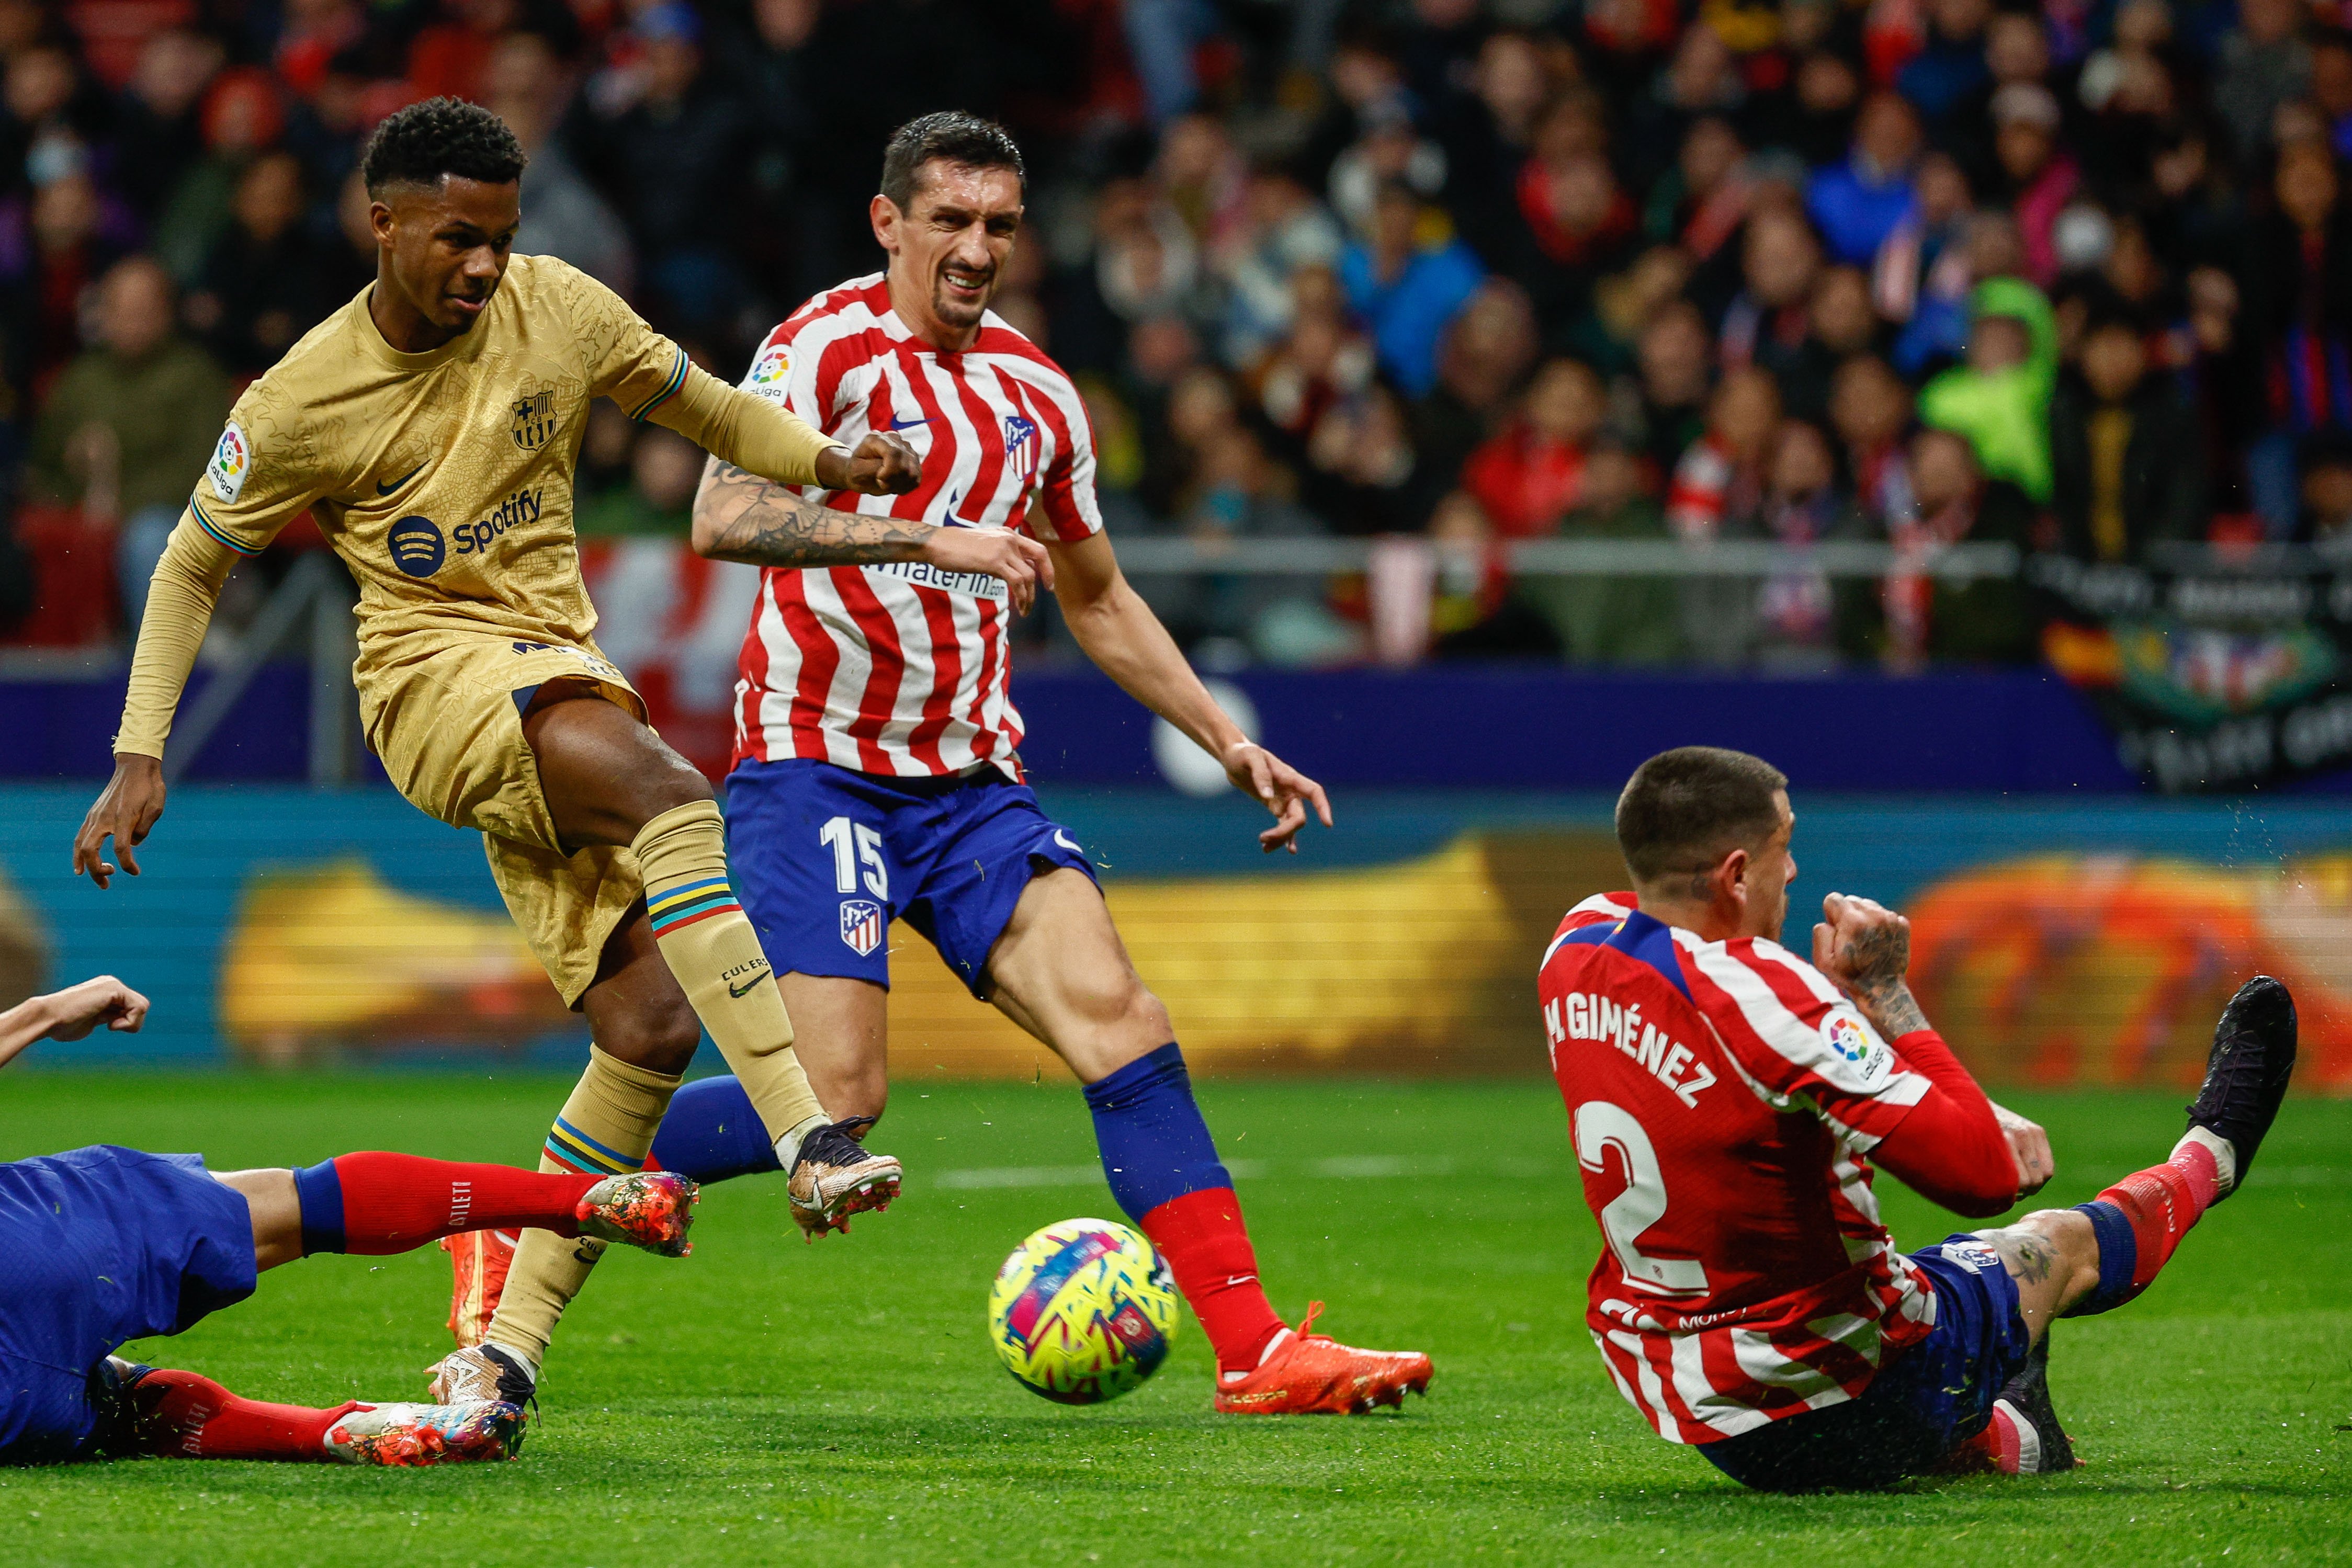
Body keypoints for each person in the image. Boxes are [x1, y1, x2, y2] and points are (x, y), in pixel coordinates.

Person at [61, 99, 1037, 1416]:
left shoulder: (557, 305)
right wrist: (139, 749)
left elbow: (708, 412)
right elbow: (191, 560)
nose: (483, 266)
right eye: (457, 238)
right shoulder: (300, 393)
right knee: (666, 788)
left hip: (557, 665)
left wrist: (837, 460)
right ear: (385, 221)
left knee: (645, 1019)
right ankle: (809, 1130)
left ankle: (503, 1348)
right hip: (427, 684)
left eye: (502, 238)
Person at [458, 112, 1437, 1416]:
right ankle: (530, 1205)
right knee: (837, 1095)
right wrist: (923, 533)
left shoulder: (1037, 394)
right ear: (890, 223)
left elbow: (1097, 597)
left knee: (1123, 1022)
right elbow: (721, 512)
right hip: (816, 771)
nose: (977, 250)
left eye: (1000, 227)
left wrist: (1225, 735)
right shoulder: (818, 352)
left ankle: (1256, 1349)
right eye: (952, 221)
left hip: (972, 784)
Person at [1541, 746, 2297, 1490]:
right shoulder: (1769, 997)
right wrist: (1884, 993)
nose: (1794, 869)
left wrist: (1852, 1036)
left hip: (1709, 1415)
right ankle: (2212, 1155)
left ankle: (2019, 1430)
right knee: (2051, 1243)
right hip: (1859, 1384)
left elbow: (1743, 1068)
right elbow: (1989, 1174)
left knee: (1930, 1396)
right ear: (1738, 873)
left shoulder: (1572, 948)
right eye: (1785, 846)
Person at [0, 975, 697, 1467]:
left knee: (117, 1407)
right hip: (32, 1242)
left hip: (16, 1407)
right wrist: (41, 1013)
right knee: (294, 1206)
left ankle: (339, 1431)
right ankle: (576, 1201)